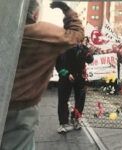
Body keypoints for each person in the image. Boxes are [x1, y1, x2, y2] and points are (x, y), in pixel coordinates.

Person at [0, 1, 84, 149]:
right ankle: (64, 122)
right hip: (20, 106)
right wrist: (66, 10)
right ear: (35, 13)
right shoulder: (41, 33)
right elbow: (76, 35)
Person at [55, 37, 94, 133]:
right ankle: (63, 123)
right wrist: (67, 74)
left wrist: (89, 54)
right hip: (66, 77)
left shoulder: (83, 48)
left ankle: (76, 118)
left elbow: (89, 60)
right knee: (63, 99)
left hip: (80, 77)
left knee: (80, 99)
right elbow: (58, 65)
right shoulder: (62, 47)